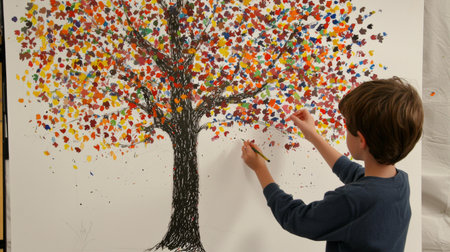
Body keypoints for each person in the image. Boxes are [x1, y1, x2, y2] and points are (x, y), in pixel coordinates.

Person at [241, 77, 424, 252]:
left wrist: (260, 168)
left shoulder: (352, 200)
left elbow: (295, 219)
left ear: (361, 140)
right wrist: (313, 136)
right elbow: (353, 173)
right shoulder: (398, 182)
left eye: (347, 126)